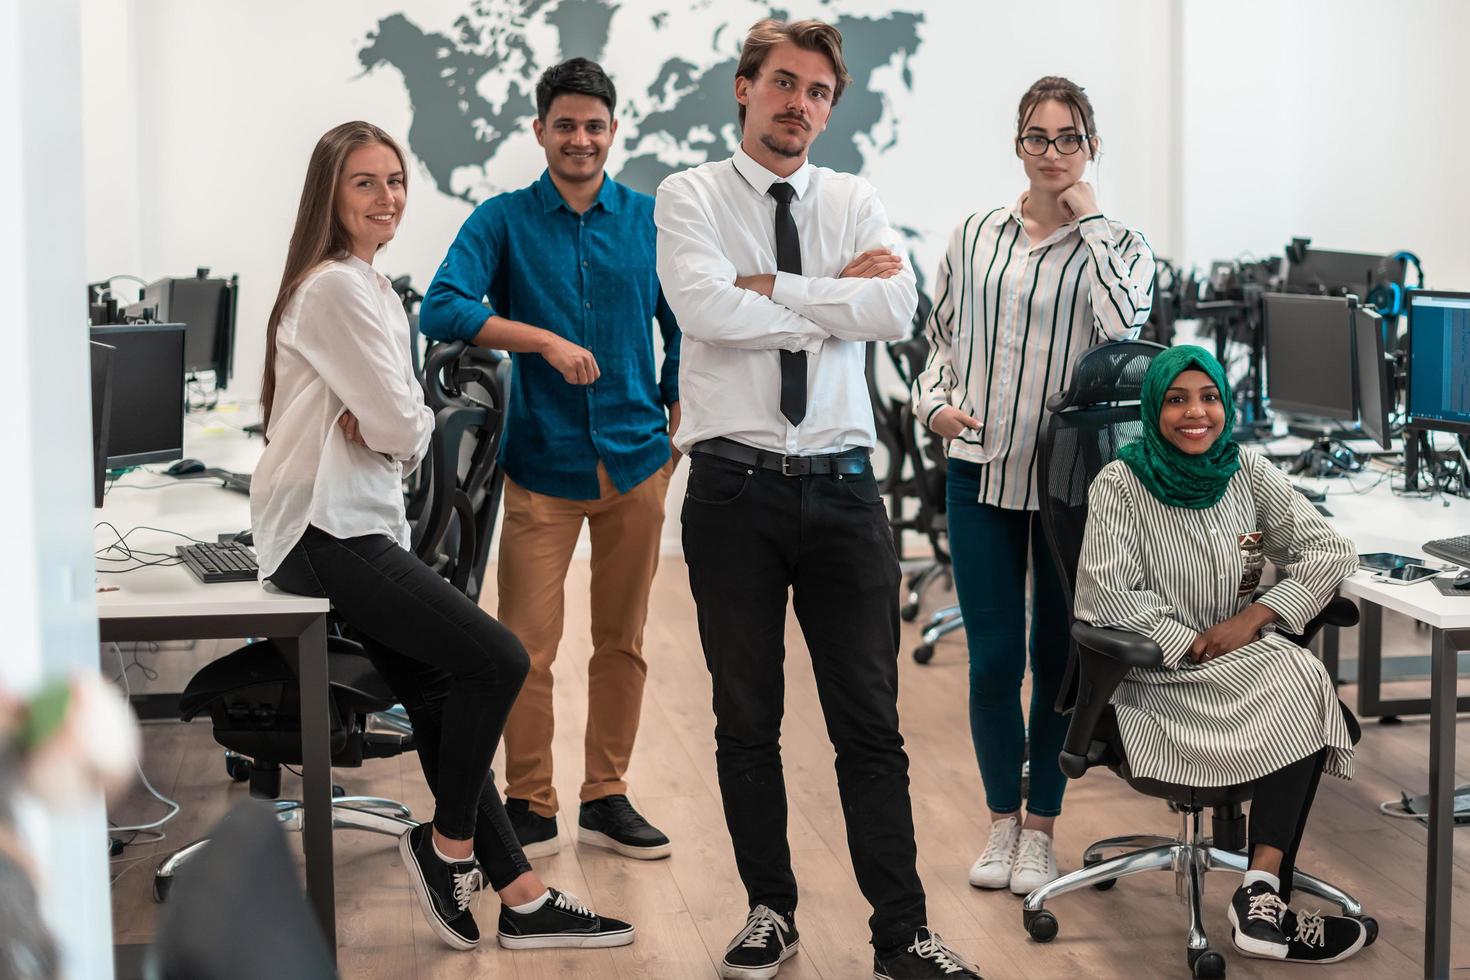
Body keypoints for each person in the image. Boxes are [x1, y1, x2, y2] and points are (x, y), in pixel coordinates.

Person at [251, 120, 634, 953]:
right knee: (497, 659)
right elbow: (401, 420)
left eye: (394, 180)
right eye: (365, 182)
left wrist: (398, 422)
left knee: (434, 696)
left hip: (353, 524)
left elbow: (400, 421)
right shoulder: (337, 290)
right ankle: (444, 846)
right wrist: (399, 422)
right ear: (330, 194)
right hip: (326, 531)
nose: (386, 196)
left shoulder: (369, 288)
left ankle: (524, 899)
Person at [656, 19, 982, 980]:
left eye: (819, 92)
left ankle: (901, 934)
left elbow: (894, 311)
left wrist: (777, 290)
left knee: (870, 725)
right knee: (745, 718)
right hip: (733, 490)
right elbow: (703, 309)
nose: (801, 104)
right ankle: (770, 911)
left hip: (844, 492)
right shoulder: (690, 195)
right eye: (785, 84)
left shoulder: (853, 196)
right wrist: (828, 296)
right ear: (744, 88)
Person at [419, 58, 681, 862]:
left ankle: (608, 795)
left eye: (594, 125)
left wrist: (674, 405)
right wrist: (540, 340)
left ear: (612, 131)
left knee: (622, 641)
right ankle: (531, 801)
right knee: (525, 649)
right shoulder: (501, 221)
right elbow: (443, 306)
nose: (580, 139)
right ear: (540, 131)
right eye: (564, 125)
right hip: (542, 464)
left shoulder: (648, 220)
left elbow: (688, 322)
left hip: (637, 462)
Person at [911, 76, 1154, 897]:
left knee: (1056, 662)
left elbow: (1126, 326)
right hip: (979, 473)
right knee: (991, 662)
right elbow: (939, 339)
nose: (1051, 153)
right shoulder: (974, 234)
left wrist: (1091, 221)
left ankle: (1043, 831)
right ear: (1017, 143)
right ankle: (1000, 825)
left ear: (1091, 146)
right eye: (1037, 137)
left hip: (1067, 492)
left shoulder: (1116, 245)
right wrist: (935, 405)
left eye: (1068, 138)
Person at [1073, 345, 1369, 965]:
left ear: (1225, 404)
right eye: (1176, 400)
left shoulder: (1249, 473)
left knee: (1301, 674)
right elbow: (1107, 596)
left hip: (1241, 662)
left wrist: (1255, 618)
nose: (1195, 413)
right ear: (1153, 409)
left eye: (1207, 397)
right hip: (1157, 679)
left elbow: (1330, 550)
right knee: (1306, 680)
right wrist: (1197, 645)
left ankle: (1259, 892)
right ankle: (1266, 900)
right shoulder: (1120, 483)